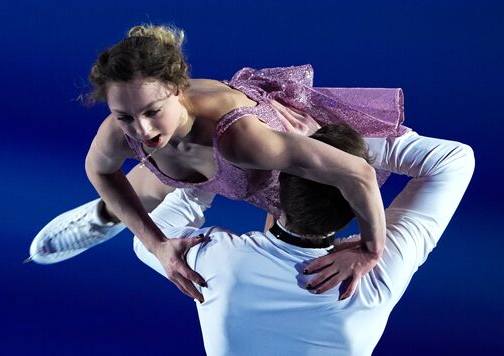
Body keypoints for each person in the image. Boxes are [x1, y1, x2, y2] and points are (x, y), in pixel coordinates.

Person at [28, 24, 409, 302]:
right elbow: (100, 169)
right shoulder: (123, 129)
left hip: (275, 177)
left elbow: (357, 173)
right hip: (199, 155)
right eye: (124, 115)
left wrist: (371, 250)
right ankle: (103, 219)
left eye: (152, 111)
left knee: (295, 269)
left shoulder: (245, 140)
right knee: (141, 189)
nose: (141, 129)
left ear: (178, 90)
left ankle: (190, 196)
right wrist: (156, 244)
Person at [132, 124, 475, 355]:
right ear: (360, 206)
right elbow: (453, 160)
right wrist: (348, 164)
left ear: (277, 182)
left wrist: (214, 175)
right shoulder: (381, 272)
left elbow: (151, 237)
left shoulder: (220, 262)